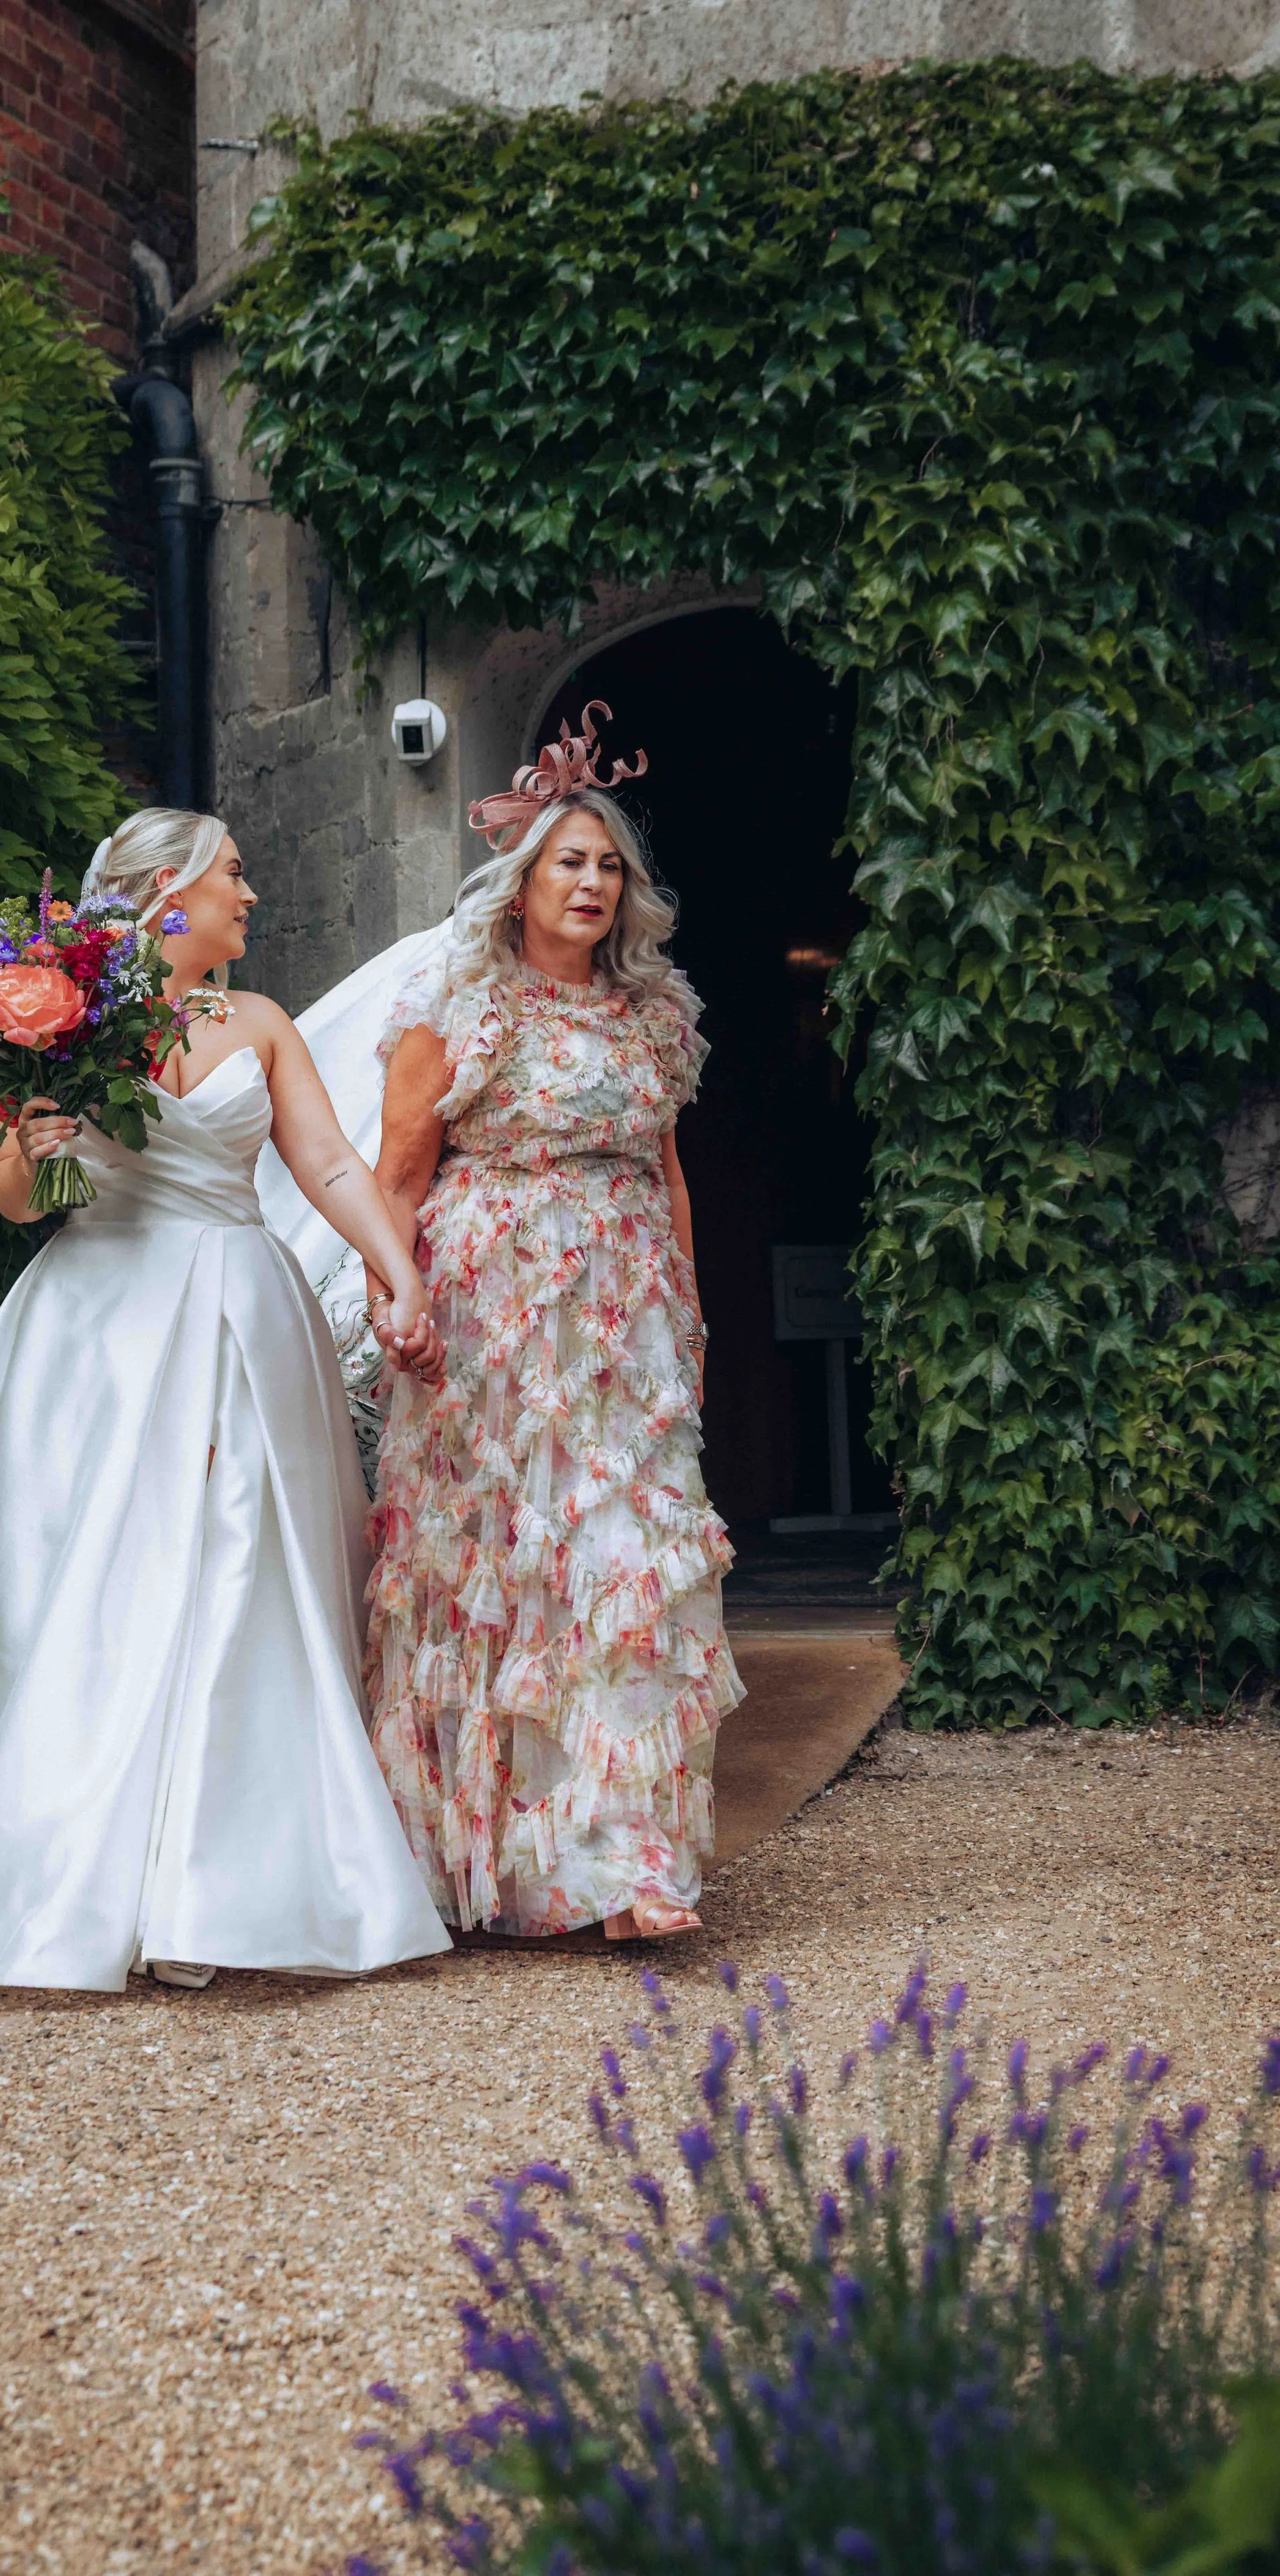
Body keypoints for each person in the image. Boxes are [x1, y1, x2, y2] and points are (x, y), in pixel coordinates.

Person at [0, 809, 452, 1994]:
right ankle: (74, 1858)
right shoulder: (69, 1019)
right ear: (166, 896)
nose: (250, 892)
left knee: (246, 1570)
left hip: (244, 1313)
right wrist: (29, 1144)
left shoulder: (261, 1022)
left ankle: (226, 1867)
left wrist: (399, 1271)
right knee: (101, 1579)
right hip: (98, 1324)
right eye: (232, 874)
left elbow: (331, 1165)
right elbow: (18, 1198)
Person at [361, 708, 745, 1942]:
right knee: (497, 1578)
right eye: (568, 862)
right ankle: (484, 1857)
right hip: (487, 1326)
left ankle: (627, 1867)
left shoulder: (654, 1014)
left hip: (623, 1327)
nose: (590, 882)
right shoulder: (457, 1006)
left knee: (627, 1565)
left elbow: (669, 1170)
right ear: (520, 883)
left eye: (608, 865)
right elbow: (396, 1177)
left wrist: (686, 1313)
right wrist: (395, 1300)